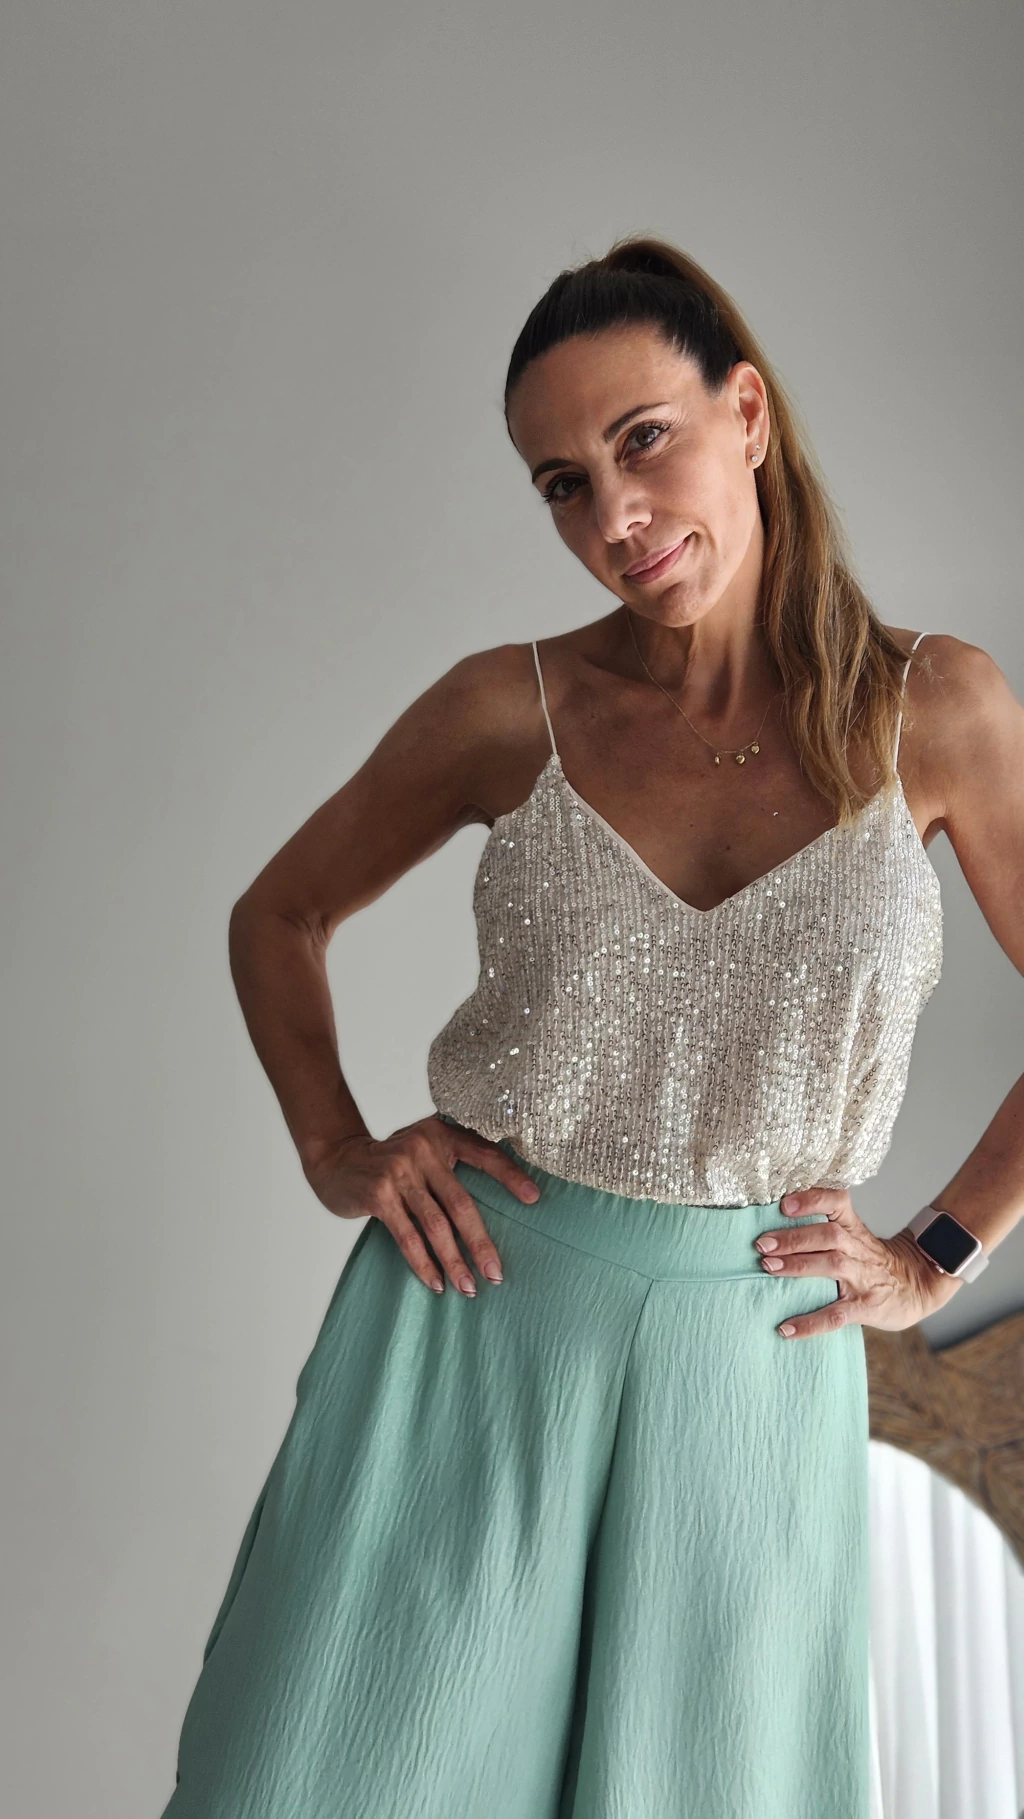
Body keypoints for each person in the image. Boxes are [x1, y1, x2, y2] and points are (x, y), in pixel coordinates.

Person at [160, 237, 1024, 1819]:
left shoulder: (938, 709)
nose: (612, 516)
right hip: (473, 1323)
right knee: (311, 1780)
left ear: (746, 412)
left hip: (749, 1362)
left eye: (643, 441)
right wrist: (337, 1145)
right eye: (563, 483)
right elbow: (276, 915)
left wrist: (937, 1255)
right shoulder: (508, 709)